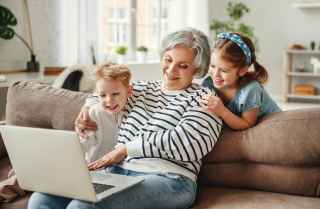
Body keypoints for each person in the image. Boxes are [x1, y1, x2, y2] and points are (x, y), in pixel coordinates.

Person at [28, 28, 223, 209]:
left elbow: (191, 143)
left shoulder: (204, 99)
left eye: (183, 65)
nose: (171, 70)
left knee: (83, 206)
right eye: (168, 59)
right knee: (41, 199)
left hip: (170, 179)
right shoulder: (140, 89)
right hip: (119, 173)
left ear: (197, 70)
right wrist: (87, 108)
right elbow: (105, 92)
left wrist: (127, 149)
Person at [202, 32, 281, 130]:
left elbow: (247, 124)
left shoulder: (251, 90)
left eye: (224, 70)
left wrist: (222, 111)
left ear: (242, 70)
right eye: (212, 66)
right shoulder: (208, 83)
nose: (215, 74)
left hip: (275, 124)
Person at [78, 63, 132, 163]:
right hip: (95, 167)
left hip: (123, 168)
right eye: (103, 95)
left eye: (115, 94)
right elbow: (82, 145)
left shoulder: (134, 113)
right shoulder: (94, 113)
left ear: (128, 92)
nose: (109, 101)